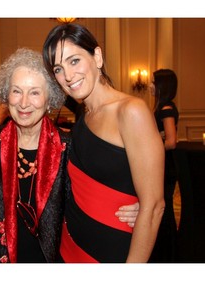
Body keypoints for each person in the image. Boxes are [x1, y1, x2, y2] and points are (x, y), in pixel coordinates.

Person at [0, 48, 138, 263]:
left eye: (35, 92)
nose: (24, 102)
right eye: (16, 91)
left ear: (50, 100)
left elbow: (98, 188)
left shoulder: (68, 145)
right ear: (6, 95)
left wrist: (135, 205)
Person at [42, 23, 165, 262]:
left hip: (112, 251)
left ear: (96, 56)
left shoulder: (131, 111)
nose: (67, 76)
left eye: (74, 60)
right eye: (58, 68)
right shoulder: (84, 115)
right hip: (70, 247)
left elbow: (154, 206)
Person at [148, 69, 179, 263]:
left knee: (163, 207)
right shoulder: (162, 105)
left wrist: (151, 147)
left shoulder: (166, 108)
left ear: (162, 86)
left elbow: (171, 141)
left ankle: (168, 253)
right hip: (162, 163)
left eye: (153, 82)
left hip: (166, 165)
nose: (150, 85)